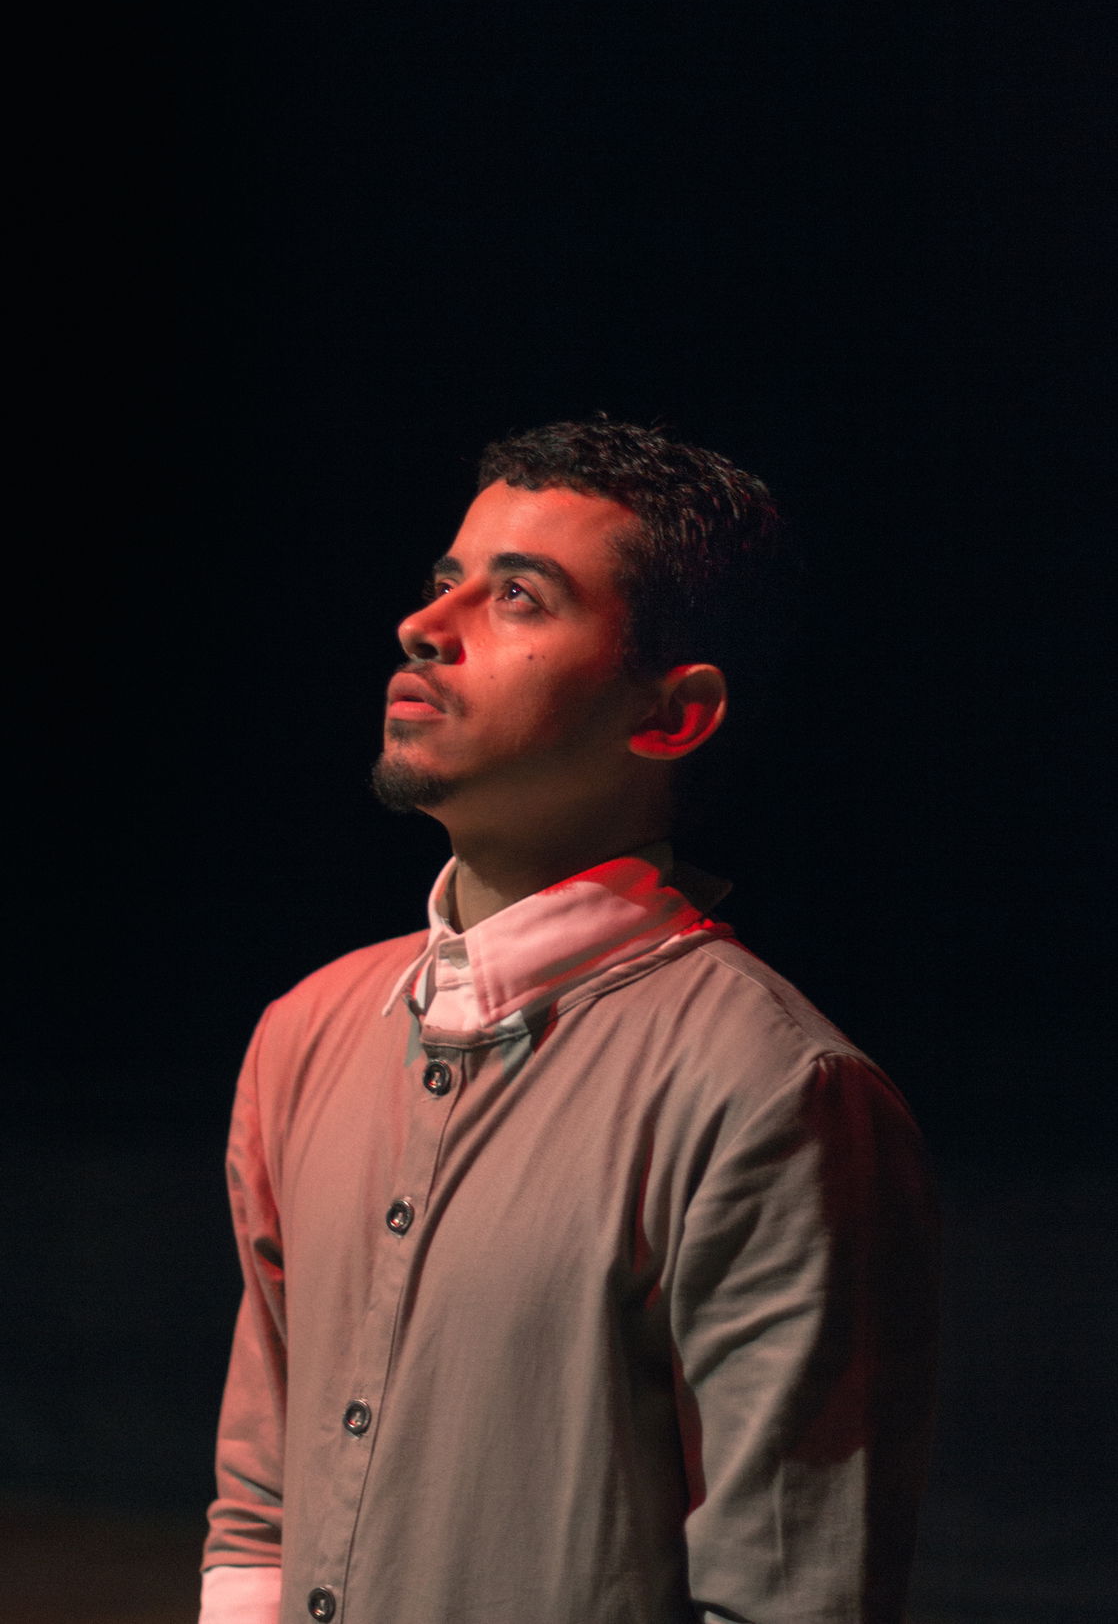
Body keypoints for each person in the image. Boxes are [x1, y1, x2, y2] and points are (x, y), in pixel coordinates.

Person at [200, 418, 938, 1624]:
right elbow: (260, 1505)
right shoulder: (308, 1030)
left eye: (519, 597)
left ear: (673, 714)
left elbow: (789, 1591)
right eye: (445, 581)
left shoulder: (771, 1092)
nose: (423, 625)